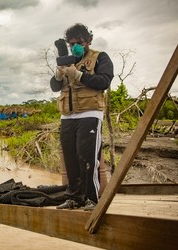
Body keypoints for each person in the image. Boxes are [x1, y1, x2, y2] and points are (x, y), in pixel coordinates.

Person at [50, 23, 114, 210]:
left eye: (79, 42)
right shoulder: (66, 60)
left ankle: (92, 199)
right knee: (70, 158)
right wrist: (58, 75)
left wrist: (78, 75)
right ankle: (74, 198)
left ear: (88, 40)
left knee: (86, 157)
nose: (75, 46)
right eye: (71, 44)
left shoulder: (99, 57)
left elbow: (104, 81)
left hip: (89, 113)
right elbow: (55, 88)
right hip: (68, 116)